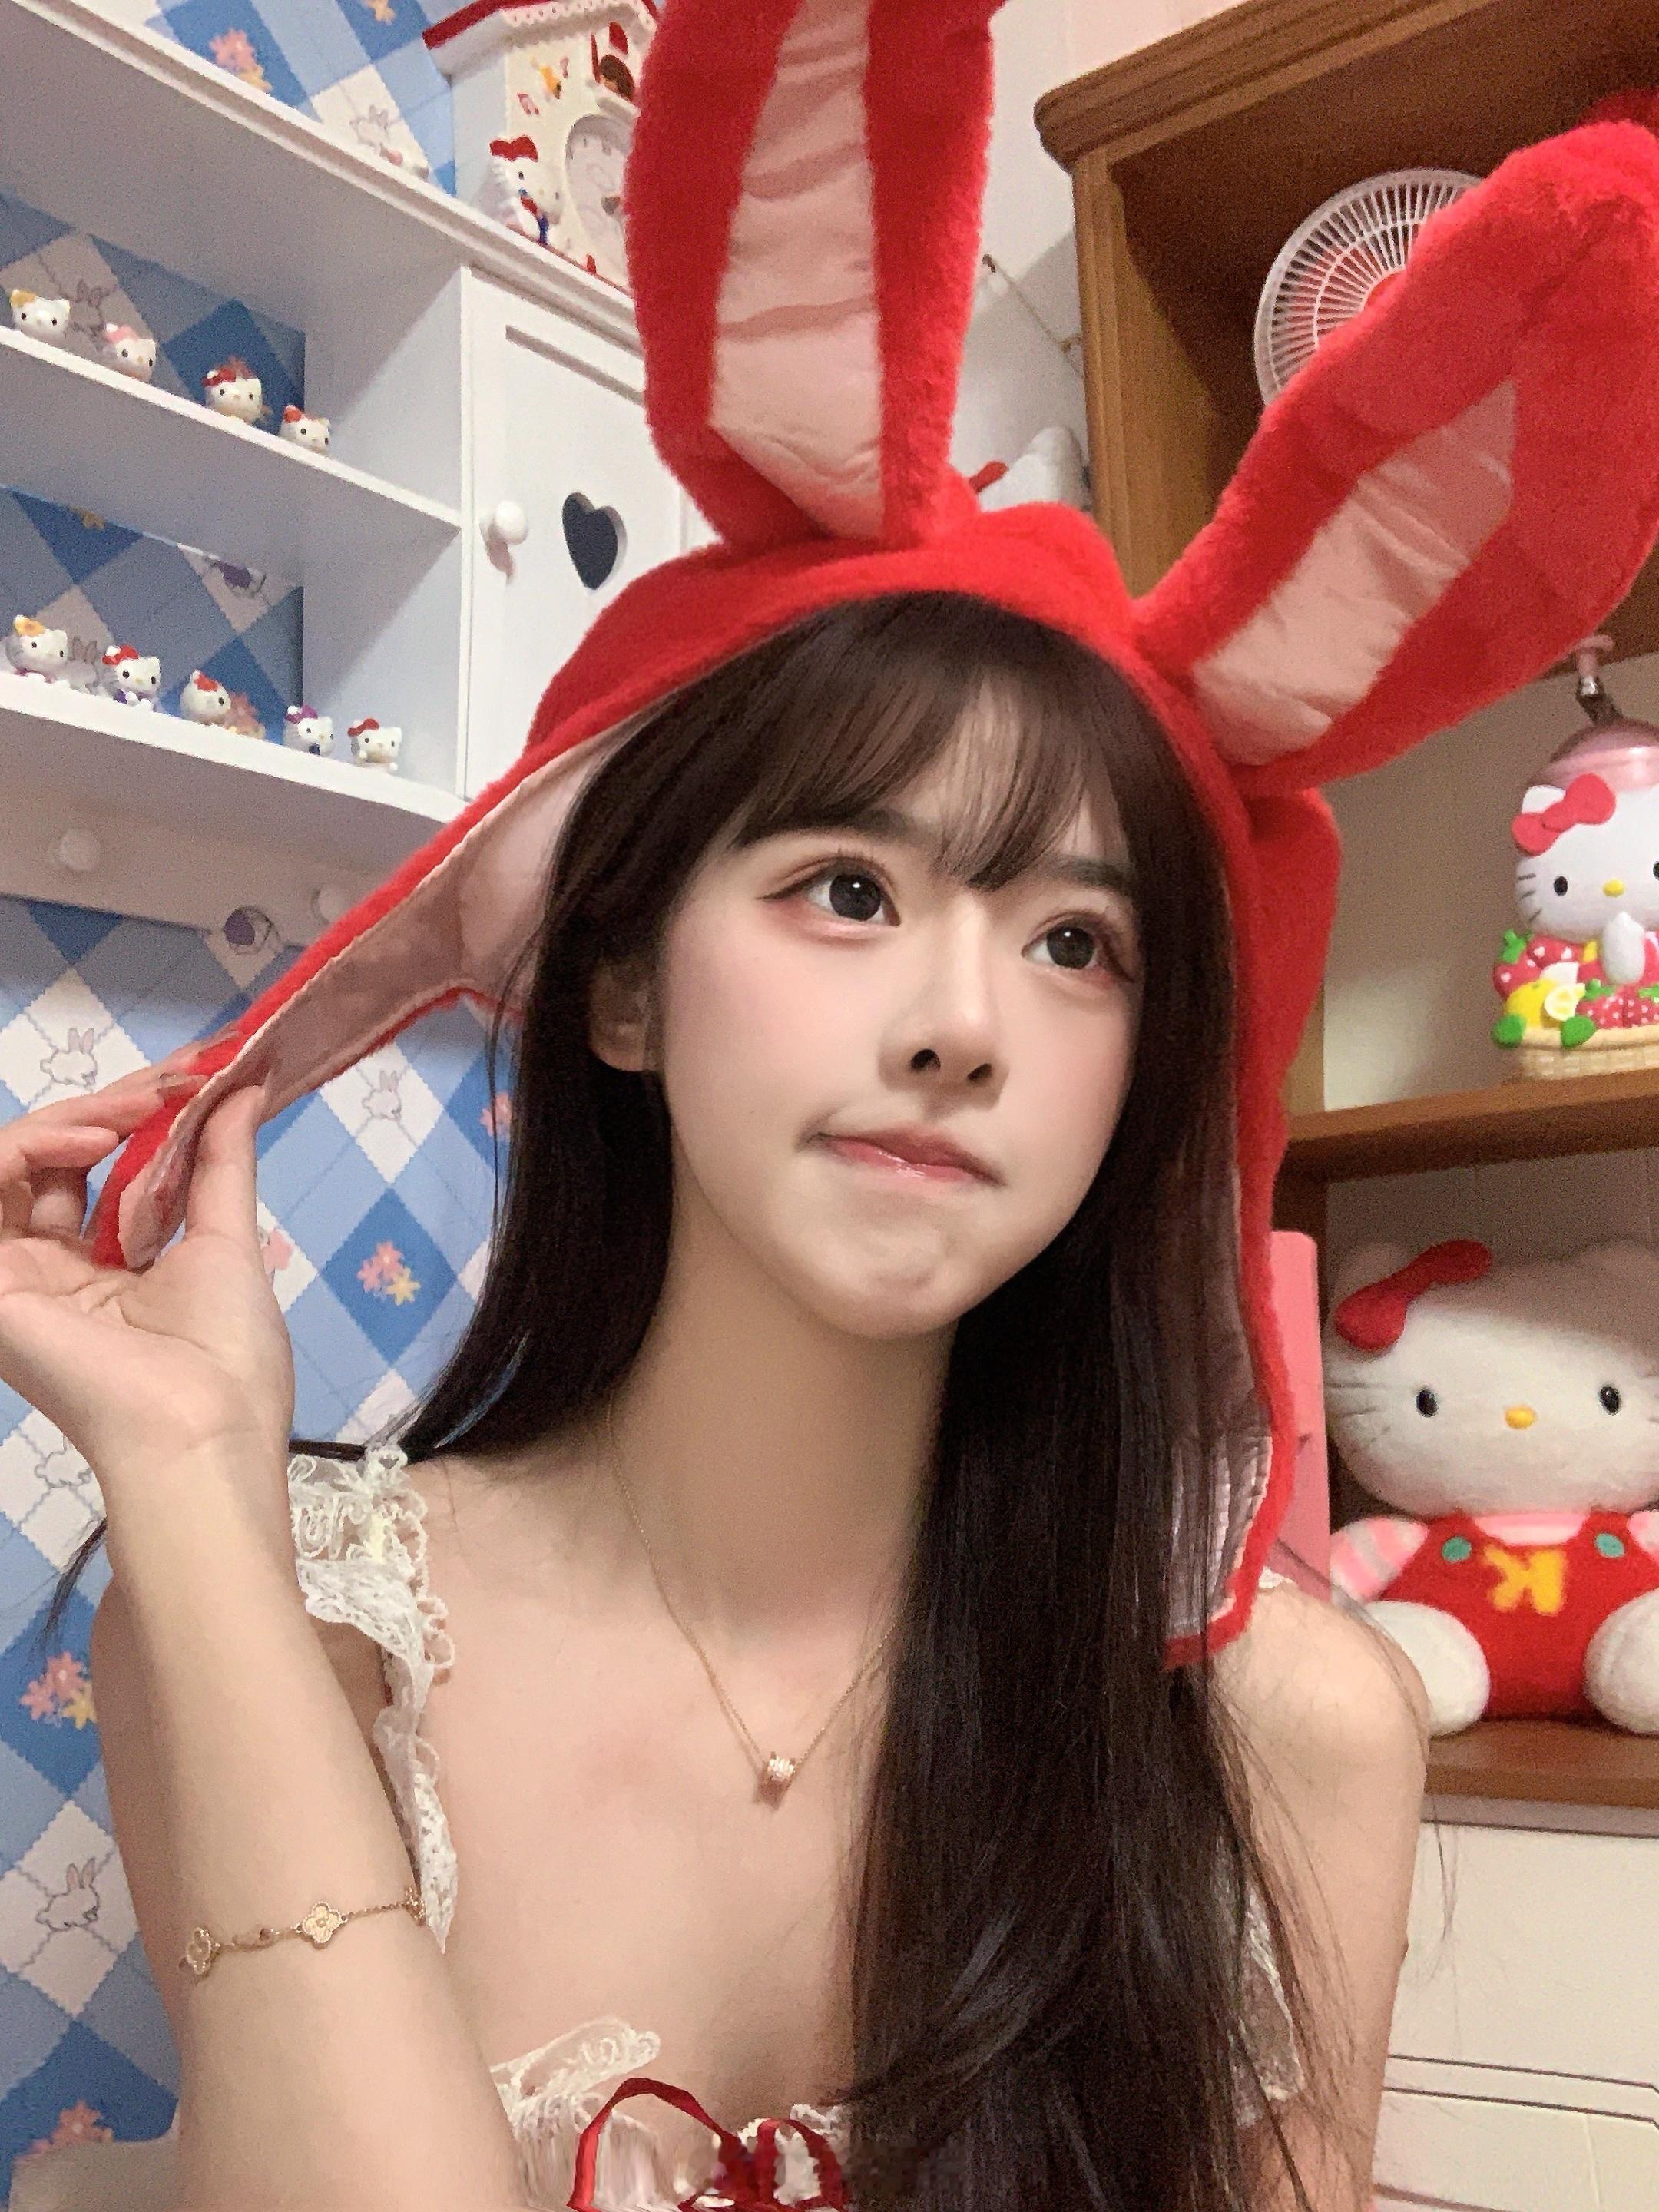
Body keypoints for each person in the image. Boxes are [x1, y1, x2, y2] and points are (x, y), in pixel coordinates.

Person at [8, 3, 1659, 2207]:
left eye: (1079, 945)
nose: (964, 1023)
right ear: (615, 984)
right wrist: (187, 1479)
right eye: (849, 892)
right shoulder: (277, 1618)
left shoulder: (1286, 1726)